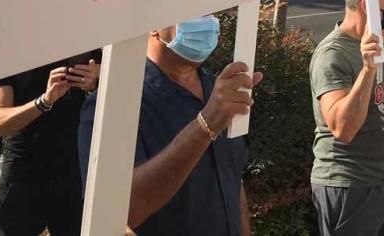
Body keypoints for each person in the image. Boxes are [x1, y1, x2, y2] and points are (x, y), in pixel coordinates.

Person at [78, 15, 260, 236]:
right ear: (152, 24)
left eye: (209, 11)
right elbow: (121, 212)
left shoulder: (217, 88)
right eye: (192, 12)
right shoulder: (114, 105)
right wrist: (205, 126)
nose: (207, 22)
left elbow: (231, 179)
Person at [309, 0, 384, 236]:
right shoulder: (332, 55)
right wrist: (368, 69)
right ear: (367, 6)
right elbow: (342, 129)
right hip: (350, 184)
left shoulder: (372, 41)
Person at [0, 53, 100, 236]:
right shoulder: (6, 53)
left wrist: (95, 86)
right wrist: (44, 101)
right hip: (25, 171)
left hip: (74, 171)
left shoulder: (86, 47)